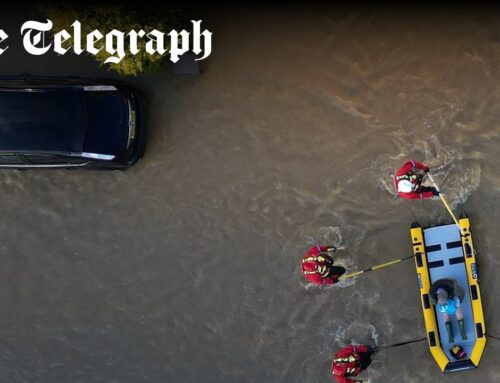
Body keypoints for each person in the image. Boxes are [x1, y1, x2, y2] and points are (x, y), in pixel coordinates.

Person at [430, 278, 468, 343]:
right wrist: (442, 307)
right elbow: (434, 302)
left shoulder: (454, 287)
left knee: (458, 311)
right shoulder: (432, 294)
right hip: (441, 295)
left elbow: (462, 293)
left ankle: (462, 331)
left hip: (451, 284)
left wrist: (459, 301)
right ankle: (450, 335)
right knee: (445, 314)